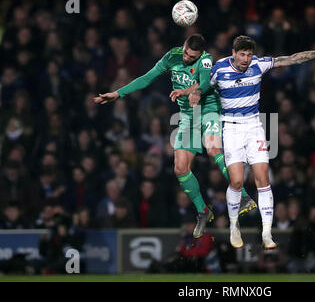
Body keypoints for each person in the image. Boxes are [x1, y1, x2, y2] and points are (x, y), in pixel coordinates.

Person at [93, 34, 256, 238]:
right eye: (187, 53)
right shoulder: (172, 56)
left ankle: (242, 196)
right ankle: (203, 212)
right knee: (180, 169)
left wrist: (194, 92)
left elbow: (205, 82)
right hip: (188, 116)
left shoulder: (205, 60)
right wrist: (117, 94)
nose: (188, 58)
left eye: (192, 56)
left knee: (213, 147)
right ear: (184, 47)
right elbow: (147, 78)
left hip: (208, 109)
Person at [209, 35, 315, 249]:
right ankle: (234, 226)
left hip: (254, 126)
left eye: (249, 54)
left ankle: (266, 233)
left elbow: (293, 59)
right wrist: (190, 94)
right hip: (231, 128)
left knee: (262, 177)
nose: (245, 59)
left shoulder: (259, 64)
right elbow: (200, 87)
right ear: (233, 54)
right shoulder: (218, 69)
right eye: (242, 54)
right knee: (236, 181)